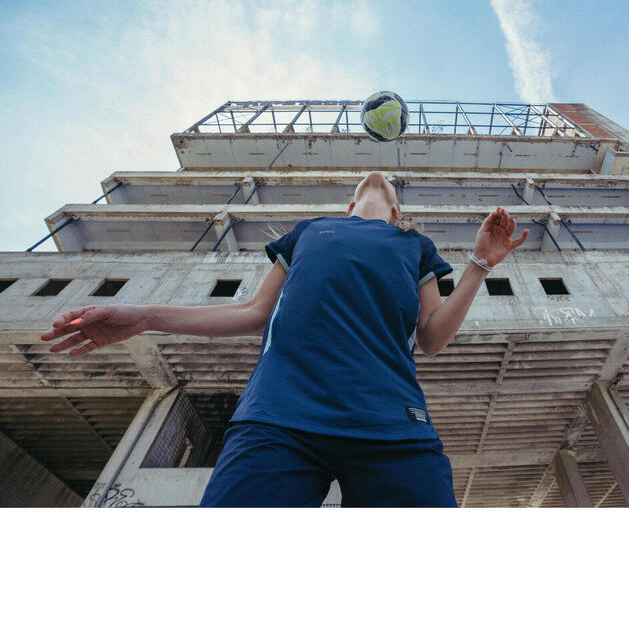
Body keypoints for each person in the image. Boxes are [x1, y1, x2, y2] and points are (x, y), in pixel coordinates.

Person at [41, 172, 528, 507]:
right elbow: (254, 312)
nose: (378, 179)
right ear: (349, 205)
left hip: (394, 430)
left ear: (398, 209)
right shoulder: (310, 231)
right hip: (279, 421)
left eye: (390, 186)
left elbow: (431, 337)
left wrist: (479, 264)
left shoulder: (414, 245)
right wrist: (144, 315)